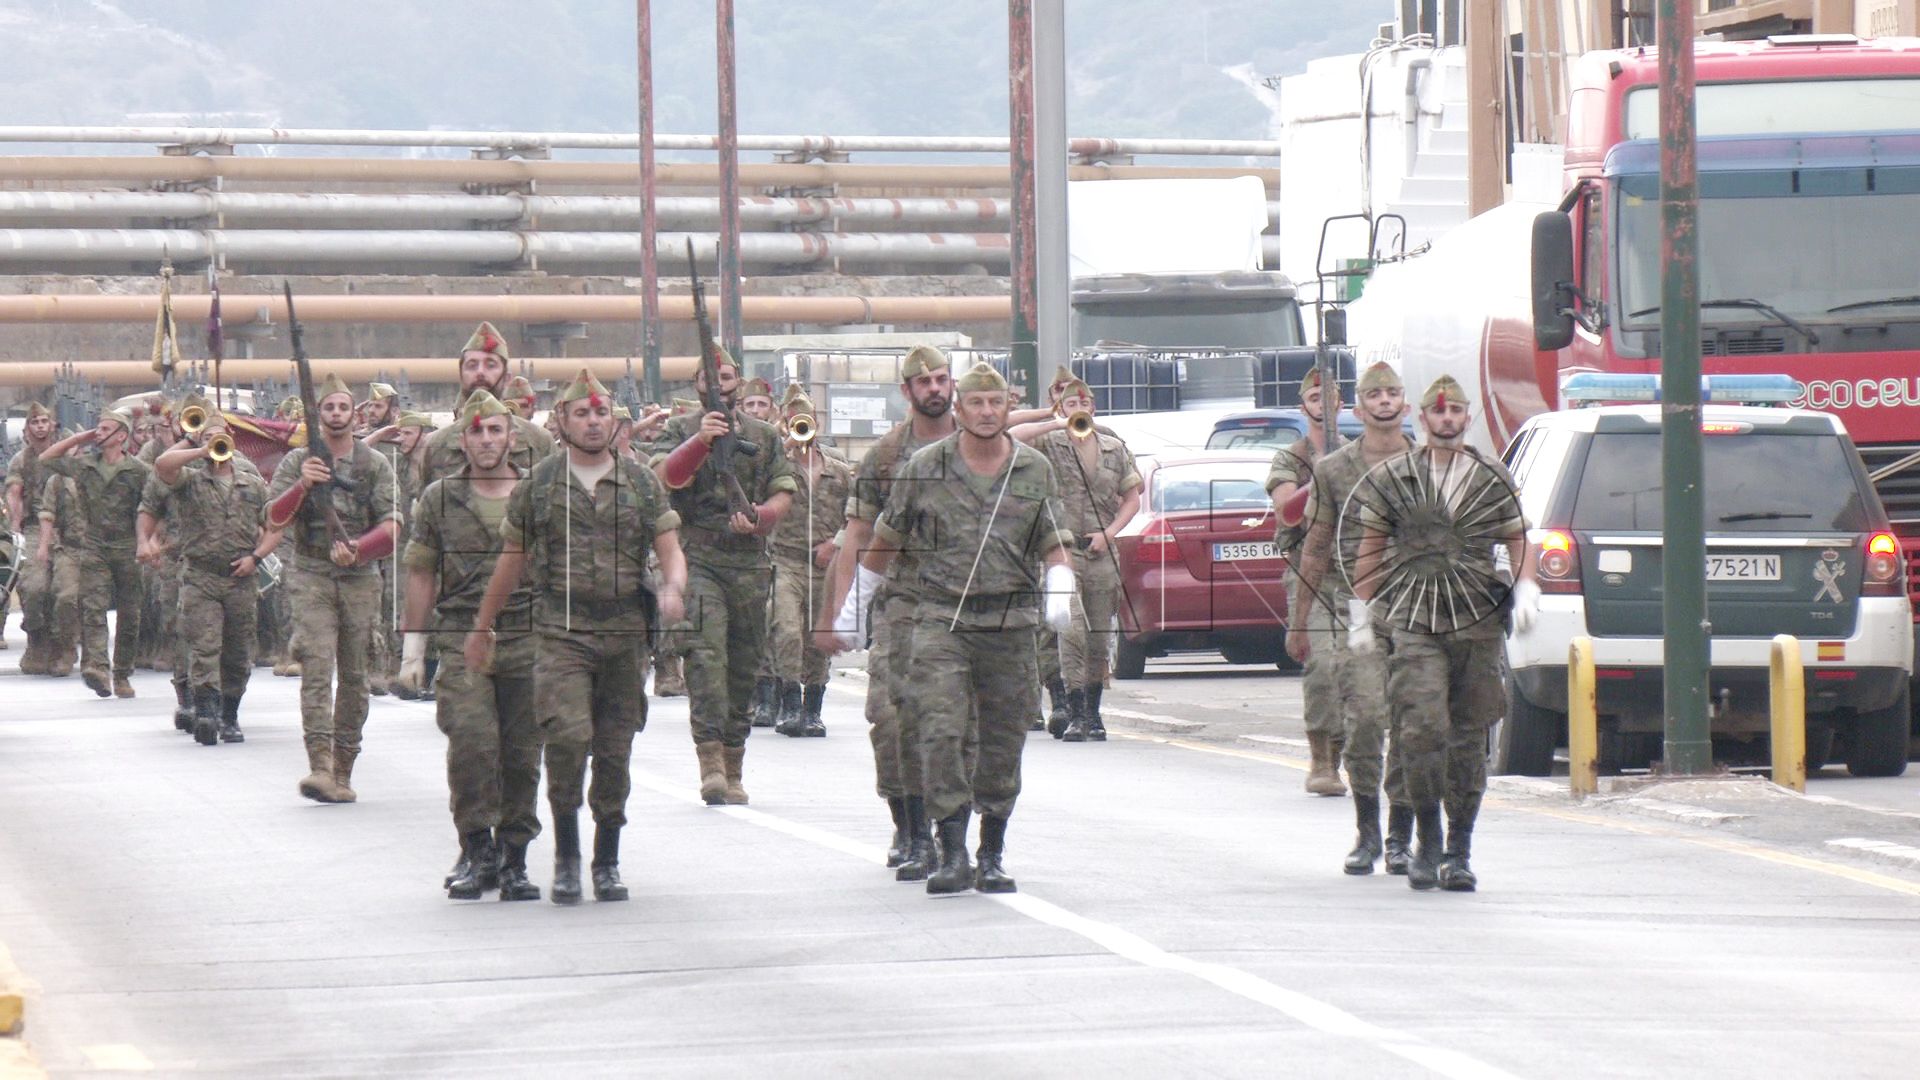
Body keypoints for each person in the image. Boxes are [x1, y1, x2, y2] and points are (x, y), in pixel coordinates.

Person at [832, 362, 1075, 895]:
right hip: (941, 618)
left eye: (995, 403)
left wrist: (1061, 585)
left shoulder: (1033, 470)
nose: (986, 413)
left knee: (1003, 737)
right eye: (976, 403)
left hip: (1011, 622)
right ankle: (952, 848)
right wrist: (852, 609)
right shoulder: (923, 467)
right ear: (960, 411)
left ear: (1008, 408)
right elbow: (884, 541)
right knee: (938, 730)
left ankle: (992, 851)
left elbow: (1054, 539)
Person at [469, 369, 687, 904]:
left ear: (613, 421)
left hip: (624, 632)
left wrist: (673, 588)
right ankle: (566, 856)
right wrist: (483, 627)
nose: (594, 423)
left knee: (614, 749)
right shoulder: (541, 484)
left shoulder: (639, 482)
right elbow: (512, 560)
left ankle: (606, 860)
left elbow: (669, 548)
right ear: (562, 422)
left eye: (601, 413)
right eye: (582, 414)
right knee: (566, 739)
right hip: (560, 631)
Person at [1352, 374, 1531, 892]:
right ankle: (1426, 836)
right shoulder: (1395, 478)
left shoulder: (1490, 475)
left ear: (1466, 418)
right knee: (1420, 730)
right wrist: (1360, 613)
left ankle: (1459, 849)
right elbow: (1369, 548)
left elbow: (1518, 537)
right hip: (1414, 622)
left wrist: (1525, 589)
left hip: (1475, 622)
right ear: (1423, 418)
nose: (1447, 419)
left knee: (1469, 739)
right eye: (1438, 412)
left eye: (1455, 412)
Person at [813, 343, 958, 878]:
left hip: (960, 602)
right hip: (900, 602)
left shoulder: (976, 444)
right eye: (925, 383)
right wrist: (843, 615)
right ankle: (910, 826)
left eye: (942, 379)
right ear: (908, 391)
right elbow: (856, 536)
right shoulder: (886, 456)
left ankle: (949, 833)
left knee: (949, 723)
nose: (936, 389)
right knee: (890, 718)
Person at [402, 391, 543, 901]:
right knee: (472, 742)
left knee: (522, 753)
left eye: (496, 431)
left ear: (512, 438)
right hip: (462, 635)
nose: (486, 440)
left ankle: (514, 858)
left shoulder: (537, 493)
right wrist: (413, 652)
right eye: (477, 432)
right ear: (463, 441)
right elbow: (421, 572)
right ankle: (477, 848)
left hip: (528, 634)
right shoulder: (439, 497)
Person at [653, 348, 795, 806]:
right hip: (699, 560)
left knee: (744, 664)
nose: (719, 382)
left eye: (727, 375)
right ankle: (710, 761)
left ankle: (734, 761)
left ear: (739, 381)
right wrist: (700, 441)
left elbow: (782, 492)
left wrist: (760, 517)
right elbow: (664, 477)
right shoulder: (679, 430)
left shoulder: (763, 436)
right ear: (696, 383)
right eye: (708, 376)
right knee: (705, 658)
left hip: (749, 563)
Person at [1291, 362, 1418, 875]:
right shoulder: (1334, 469)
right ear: (1360, 408)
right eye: (1375, 394)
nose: (1384, 401)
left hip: (1414, 606)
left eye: (1392, 393)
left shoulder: (1426, 464)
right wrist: (1299, 620)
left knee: (1412, 725)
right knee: (1365, 717)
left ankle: (1400, 837)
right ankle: (1367, 829)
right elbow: (1316, 545)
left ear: (1404, 405)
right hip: (1353, 606)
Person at [265, 372, 401, 804]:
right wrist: (303, 484)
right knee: (317, 668)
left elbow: (394, 526)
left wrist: (360, 549)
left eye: (344, 407)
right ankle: (319, 766)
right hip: (312, 575)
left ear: (354, 413)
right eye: (329, 408)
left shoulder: (373, 465)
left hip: (360, 579)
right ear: (319, 414)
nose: (337, 414)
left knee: (356, 676)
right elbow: (273, 517)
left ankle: (344, 767)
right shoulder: (299, 462)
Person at [1013, 375, 1141, 741]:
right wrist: (1055, 420)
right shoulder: (1050, 443)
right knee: (1071, 633)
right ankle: (1075, 712)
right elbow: (1012, 439)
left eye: (1083, 404)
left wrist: (1110, 533)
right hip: (1062, 554)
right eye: (1071, 404)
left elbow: (1132, 497)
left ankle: (1095, 714)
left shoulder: (1114, 448)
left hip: (1101, 553)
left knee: (1100, 638)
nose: (1078, 410)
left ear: (1094, 408)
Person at [151, 405, 278, 745]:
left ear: (231, 441)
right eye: (209, 438)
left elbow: (274, 527)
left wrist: (256, 557)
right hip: (201, 577)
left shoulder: (252, 485)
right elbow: (162, 465)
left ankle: (230, 715)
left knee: (237, 652)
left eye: (218, 439)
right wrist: (195, 443)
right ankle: (206, 711)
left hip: (240, 577)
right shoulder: (190, 480)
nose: (214, 445)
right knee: (204, 646)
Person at [1265, 366, 1348, 796]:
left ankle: (1348, 751)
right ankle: (1322, 759)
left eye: (1328, 397)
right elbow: (1287, 512)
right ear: (1304, 407)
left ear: (1339, 404)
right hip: (1309, 572)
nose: (1322, 405)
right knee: (1321, 666)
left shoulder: (1358, 453)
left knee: (1359, 669)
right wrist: (1325, 474)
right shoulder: (1290, 459)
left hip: (1355, 574)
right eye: (1314, 399)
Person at [37, 410, 151, 698]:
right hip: (95, 545)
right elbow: (46, 458)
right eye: (97, 429)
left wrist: (149, 541)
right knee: (93, 608)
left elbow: (152, 506)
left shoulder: (138, 471)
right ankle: (98, 668)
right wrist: (82, 437)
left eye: (105, 429)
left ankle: (122, 673)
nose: (98, 433)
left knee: (130, 613)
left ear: (121, 436)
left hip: (127, 546)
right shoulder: (86, 466)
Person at [769, 390, 851, 738]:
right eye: (794, 421)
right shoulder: (777, 467)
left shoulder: (840, 472)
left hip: (824, 565)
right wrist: (784, 447)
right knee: (787, 629)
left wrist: (837, 543)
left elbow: (860, 516)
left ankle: (813, 708)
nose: (803, 427)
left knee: (818, 637)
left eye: (807, 421)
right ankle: (789, 704)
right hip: (786, 560)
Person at [420, 323, 556, 486]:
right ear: (461, 375)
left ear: (506, 378)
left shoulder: (538, 442)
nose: (480, 372)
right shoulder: (436, 445)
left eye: (490, 365)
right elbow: (427, 504)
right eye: (472, 365)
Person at [7, 402, 62, 673]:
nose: (40, 426)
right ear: (28, 428)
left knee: (64, 589)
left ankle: (61, 645)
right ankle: (36, 639)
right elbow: (14, 492)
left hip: (65, 528)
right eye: (35, 422)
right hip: (33, 528)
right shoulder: (22, 459)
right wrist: (15, 525)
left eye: (44, 421)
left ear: (52, 425)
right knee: (34, 586)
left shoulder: (65, 453)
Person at [31, 470, 85, 678]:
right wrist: (44, 546)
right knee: (65, 598)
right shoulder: (57, 480)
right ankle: (66, 647)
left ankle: (96, 661)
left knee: (94, 605)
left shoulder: (95, 472)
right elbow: (47, 514)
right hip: (69, 547)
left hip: (100, 548)